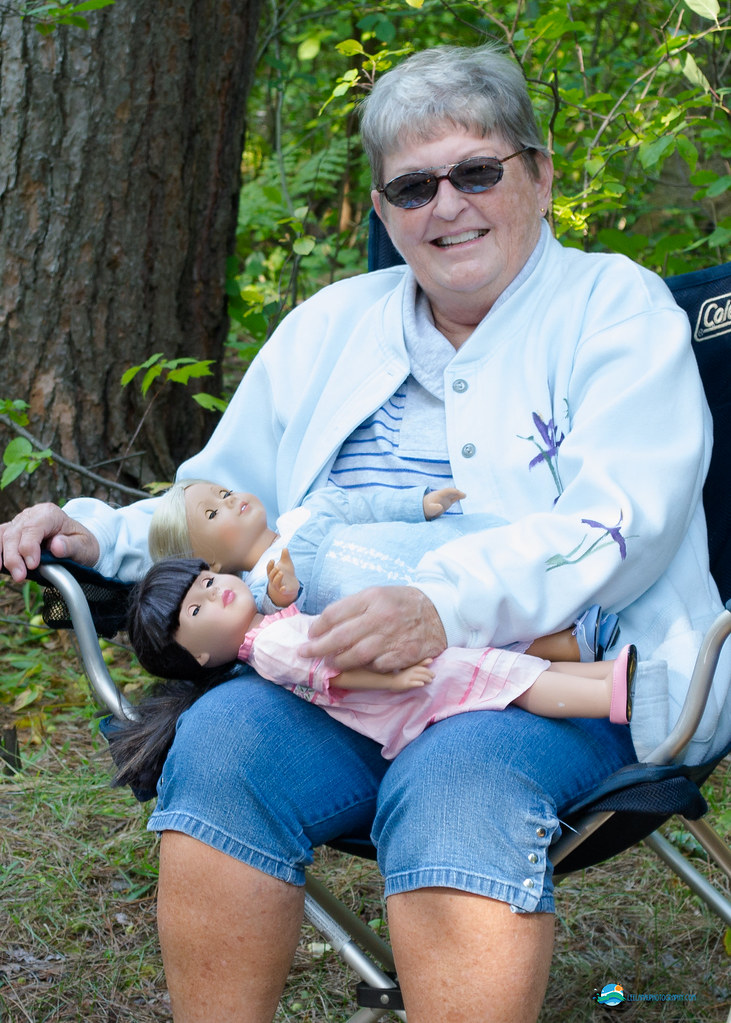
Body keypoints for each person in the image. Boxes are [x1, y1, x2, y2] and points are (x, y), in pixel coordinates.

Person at [1, 42, 729, 1023]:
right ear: (384, 213)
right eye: (413, 186)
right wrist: (95, 535)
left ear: (539, 173)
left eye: (477, 172)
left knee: (453, 779)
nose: (448, 206)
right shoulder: (330, 327)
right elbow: (226, 498)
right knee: (218, 743)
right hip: (337, 673)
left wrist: (438, 604)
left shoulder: (615, 313)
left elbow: (617, 523)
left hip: (566, 683)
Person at [119, 557, 634, 771]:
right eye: (196, 609)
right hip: (392, 694)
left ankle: (604, 676)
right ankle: (606, 694)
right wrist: (393, 676)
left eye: (207, 582)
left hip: (392, 683)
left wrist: (285, 594)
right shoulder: (269, 650)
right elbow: (330, 676)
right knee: (497, 679)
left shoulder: (267, 632)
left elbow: (306, 634)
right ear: (200, 656)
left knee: (497, 667)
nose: (214, 595)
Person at [148, 477, 619, 658]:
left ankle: (573, 579)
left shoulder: (309, 510)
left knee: (480, 563)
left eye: (224, 494)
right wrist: (282, 594)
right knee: (472, 640)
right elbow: (270, 616)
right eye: (213, 514)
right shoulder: (249, 589)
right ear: (206, 563)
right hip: (388, 607)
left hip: (415, 546)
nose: (231, 502)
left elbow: (366, 506)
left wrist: (420, 502)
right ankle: (581, 643)